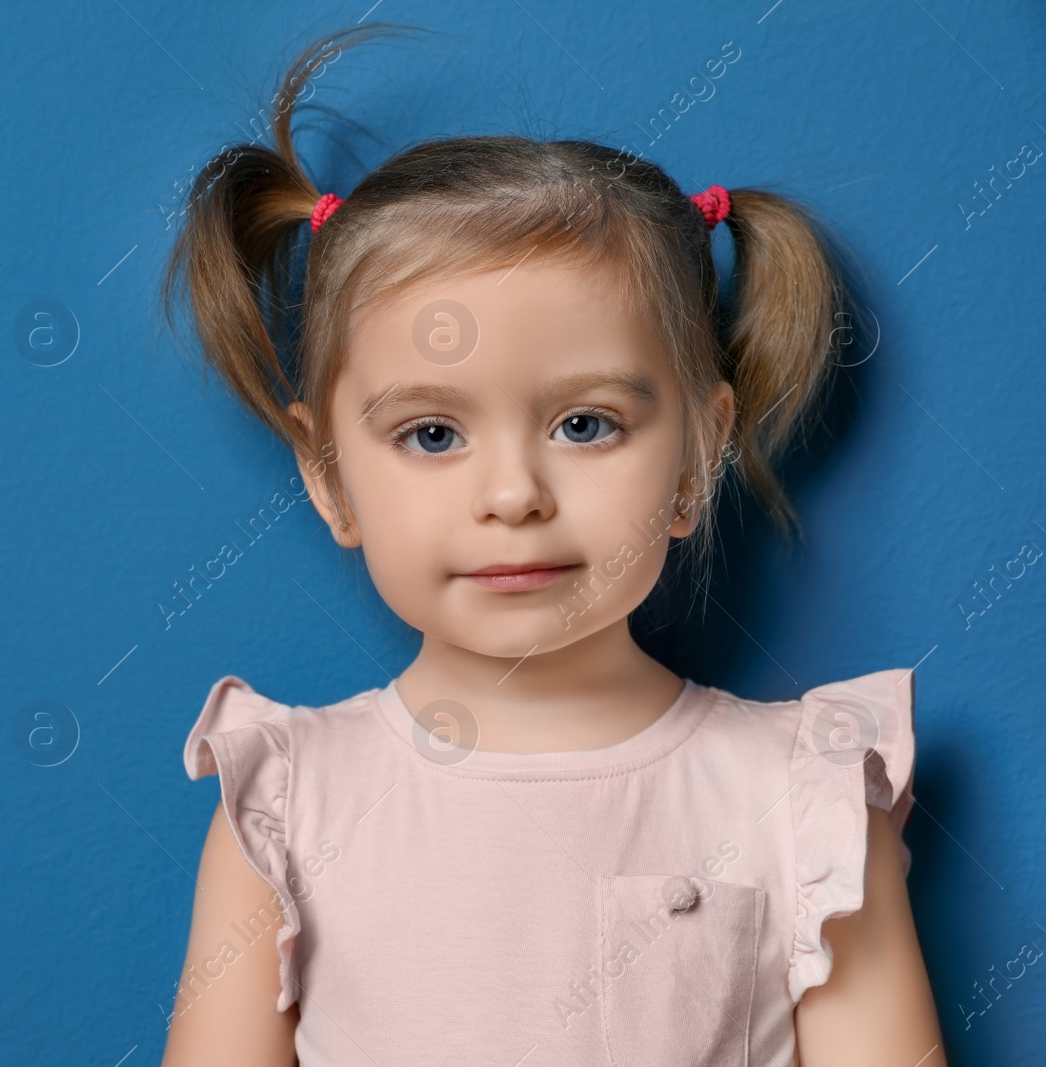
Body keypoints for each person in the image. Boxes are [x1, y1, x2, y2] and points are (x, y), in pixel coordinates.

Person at [158, 25, 944, 1067]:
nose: (514, 495)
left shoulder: (800, 796)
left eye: (586, 424)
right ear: (332, 477)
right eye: (430, 433)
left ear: (695, 458)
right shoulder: (290, 801)